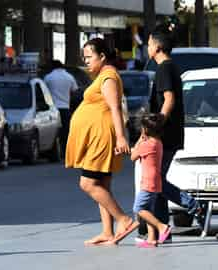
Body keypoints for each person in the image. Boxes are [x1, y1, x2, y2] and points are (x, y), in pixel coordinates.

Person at [137, 28, 209, 242]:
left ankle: (195, 206)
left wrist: (156, 126)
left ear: (157, 47)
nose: (147, 48)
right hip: (167, 133)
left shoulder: (164, 69)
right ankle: (162, 230)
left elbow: (169, 100)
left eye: (149, 44)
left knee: (155, 181)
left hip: (164, 135)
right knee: (156, 182)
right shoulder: (168, 68)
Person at [65, 38, 138, 246]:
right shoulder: (102, 76)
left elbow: (115, 108)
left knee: (87, 183)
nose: (86, 61)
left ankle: (124, 220)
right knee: (102, 184)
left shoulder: (108, 77)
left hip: (102, 137)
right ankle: (107, 231)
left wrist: (121, 136)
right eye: (84, 57)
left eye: (89, 57)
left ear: (102, 56)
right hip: (98, 136)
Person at [131, 113, 172, 248]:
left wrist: (139, 141)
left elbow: (133, 156)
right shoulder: (158, 143)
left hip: (148, 182)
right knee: (149, 209)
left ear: (145, 130)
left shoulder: (146, 144)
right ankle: (152, 238)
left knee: (139, 208)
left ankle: (162, 227)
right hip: (156, 181)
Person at [44, 60, 79, 154]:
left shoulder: (48, 77)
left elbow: (44, 92)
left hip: (52, 109)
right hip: (65, 108)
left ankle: (54, 151)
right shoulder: (69, 77)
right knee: (66, 132)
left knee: (54, 132)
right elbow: (74, 90)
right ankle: (66, 151)